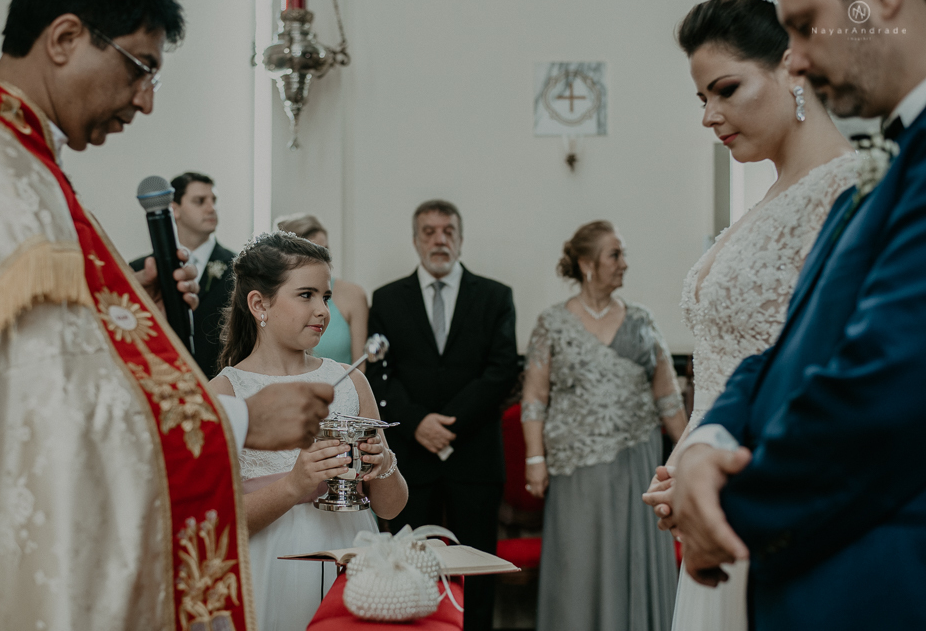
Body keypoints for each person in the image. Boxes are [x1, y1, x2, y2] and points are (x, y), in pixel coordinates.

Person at [0, 0, 330, 629]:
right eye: (140, 69)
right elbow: (42, 417)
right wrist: (239, 423)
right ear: (63, 38)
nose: (145, 101)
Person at [668, 0, 926, 628]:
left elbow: (886, 377)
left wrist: (726, 503)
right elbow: (779, 352)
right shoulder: (884, 170)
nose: (800, 59)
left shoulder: (868, 176)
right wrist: (704, 443)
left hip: (843, 537)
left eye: (806, 25)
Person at [640, 0, 862, 630]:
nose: (710, 116)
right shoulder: (763, 201)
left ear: (793, 67)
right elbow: (725, 365)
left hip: (775, 500)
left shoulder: (848, 191)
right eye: (701, 99)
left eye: (726, 90)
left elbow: (826, 373)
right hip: (716, 491)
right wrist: (685, 459)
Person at [209, 231, 408, 631]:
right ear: (259, 304)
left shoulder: (350, 383)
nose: (322, 310)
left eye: (326, 297)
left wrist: (383, 464)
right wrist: (292, 487)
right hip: (269, 563)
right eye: (306, 295)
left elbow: (391, 507)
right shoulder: (225, 393)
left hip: (351, 551)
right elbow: (217, 526)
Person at [521, 220, 687, 631]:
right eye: (616, 254)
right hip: (577, 469)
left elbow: (667, 397)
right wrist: (535, 459)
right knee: (580, 562)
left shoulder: (642, 320)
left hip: (637, 461)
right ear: (587, 263)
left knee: (634, 558)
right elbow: (534, 398)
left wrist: (689, 456)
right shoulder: (552, 322)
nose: (624, 264)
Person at [366, 199, 518, 631]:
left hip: (474, 454)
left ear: (461, 239)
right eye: (429, 231)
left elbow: (502, 369)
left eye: (448, 231)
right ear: (415, 240)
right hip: (410, 460)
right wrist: (417, 424)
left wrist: (448, 424)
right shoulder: (387, 299)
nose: (439, 239)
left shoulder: (494, 296)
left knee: (477, 566)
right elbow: (380, 373)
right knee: (408, 562)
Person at [132, 172, 235, 378]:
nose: (211, 208)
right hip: (161, 378)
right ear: (174, 209)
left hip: (221, 384)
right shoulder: (138, 269)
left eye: (213, 200)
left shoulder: (238, 268)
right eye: (200, 201)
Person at [275, 212, 369, 369]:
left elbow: (360, 366)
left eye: (325, 250)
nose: (322, 259)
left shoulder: (353, 295)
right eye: (312, 251)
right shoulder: (279, 297)